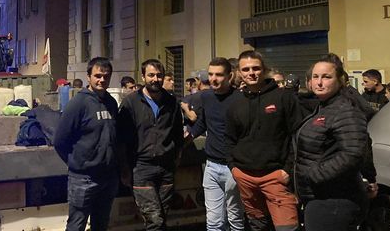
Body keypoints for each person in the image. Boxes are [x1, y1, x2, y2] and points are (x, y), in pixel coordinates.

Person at [225, 50, 301, 231]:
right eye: (246, 69)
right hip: (245, 176)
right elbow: (229, 139)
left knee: (287, 228)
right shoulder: (235, 104)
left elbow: (297, 134)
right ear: (239, 73)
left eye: (256, 68)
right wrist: (233, 168)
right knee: (257, 226)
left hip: (276, 176)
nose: (251, 73)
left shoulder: (284, 97)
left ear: (264, 70)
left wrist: (287, 169)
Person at [294, 56, 369, 231]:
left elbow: (353, 154)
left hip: (335, 199)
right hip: (318, 197)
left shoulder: (345, 111)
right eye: (315, 77)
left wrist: (314, 175)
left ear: (340, 80)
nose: (319, 82)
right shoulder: (323, 108)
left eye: (326, 77)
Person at [117, 59, 184, 231]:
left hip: (166, 168)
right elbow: (121, 138)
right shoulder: (131, 102)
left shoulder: (171, 102)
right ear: (143, 76)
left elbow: (177, 132)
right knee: (155, 220)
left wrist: (177, 155)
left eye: (159, 75)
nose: (155, 79)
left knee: (162, 216)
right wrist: (125, 168)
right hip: (142, 168)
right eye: (151, 75)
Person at [53, 57, 119, 231]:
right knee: (77, 225)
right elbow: (59, 141)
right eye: (97, 75)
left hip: (107, 177)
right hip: (84, 179)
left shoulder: (111, 103)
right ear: (88, 76)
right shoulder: (78, 103)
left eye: (106, 76)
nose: (102, 80)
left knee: (101, 224)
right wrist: (76, 162)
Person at [190, 58, 244, 231]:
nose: (213, 78)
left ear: (230, 76)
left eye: (219, 75)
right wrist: (188, 135)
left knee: (235, 218)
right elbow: (202, 123)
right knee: (213, 222)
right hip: (211, 166)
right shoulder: (205, 96)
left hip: (233, 167)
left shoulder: (240, 99)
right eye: (211, 74)